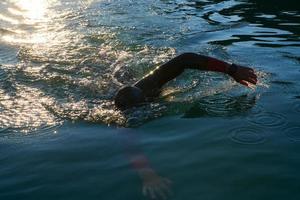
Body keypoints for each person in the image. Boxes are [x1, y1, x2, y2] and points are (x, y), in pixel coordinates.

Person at [114, 52, 258, 110]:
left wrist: (231, 70)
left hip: (134, 84)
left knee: (122, 72)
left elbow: (186, 59)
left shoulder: (147, 86)